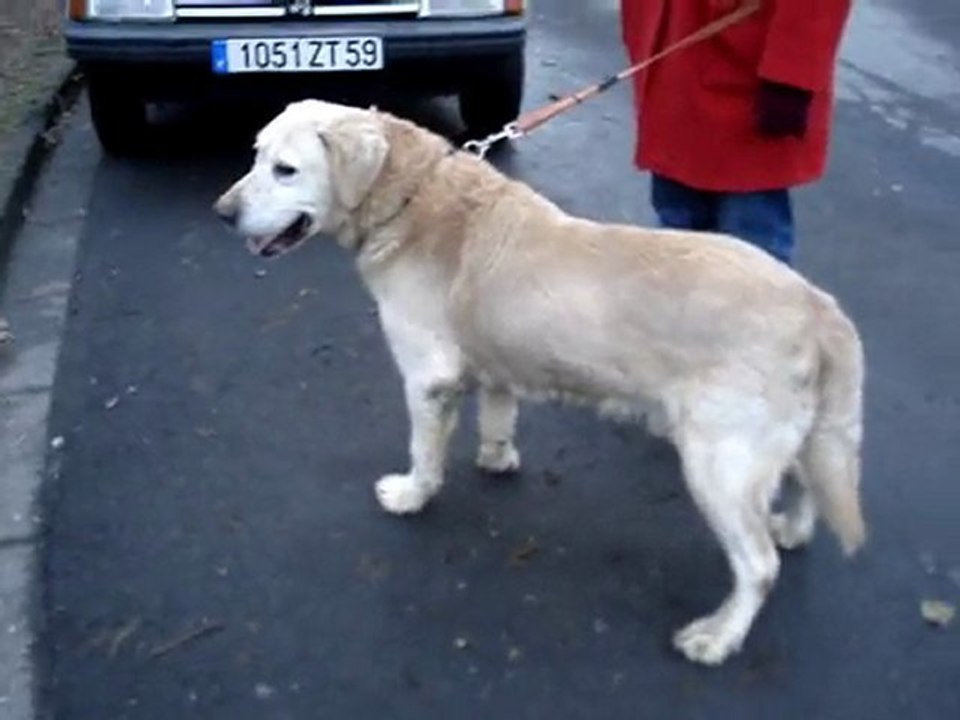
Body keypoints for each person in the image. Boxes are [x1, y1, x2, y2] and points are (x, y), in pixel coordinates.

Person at [619, 0, 853, 264]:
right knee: (675, 241)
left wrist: (791, 72)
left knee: (750, 252)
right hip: (674, 57)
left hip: (745, 63)